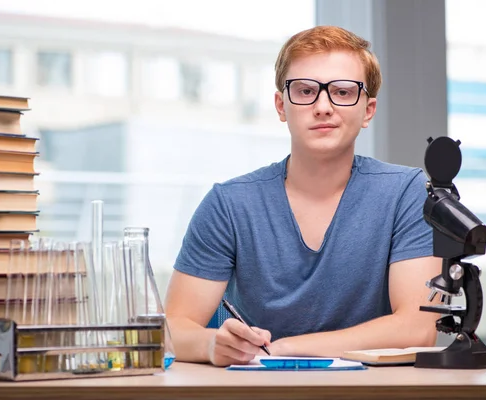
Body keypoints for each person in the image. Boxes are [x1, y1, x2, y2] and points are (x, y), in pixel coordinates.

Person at [164, 25, 442, 367]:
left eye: (342, 92)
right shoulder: (229, 204)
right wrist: (211, 344)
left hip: (371, 391)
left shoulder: (406, 193)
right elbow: (173, 330)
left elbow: (416, 328)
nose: (323, 106)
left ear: (368, 110)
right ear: (281, 106)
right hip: (257, 391)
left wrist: (287, 348)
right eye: (306, 90)